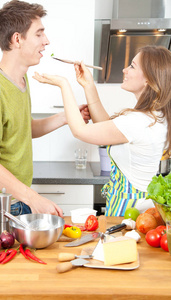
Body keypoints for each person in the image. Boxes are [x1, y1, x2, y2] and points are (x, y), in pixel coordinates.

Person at [0, 0, 90, 218]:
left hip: (19, 199)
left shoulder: (22, 80)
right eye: (39, 34)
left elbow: (24, 128)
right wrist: (33, 198)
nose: (46, 41)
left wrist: (66, 117)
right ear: (17, 39)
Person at [33, 45, 171, 216]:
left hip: (132, 209)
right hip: (138, 206)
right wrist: (88, 85)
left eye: (132, 66)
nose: (124, 70)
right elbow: (108, 131)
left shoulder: (138, 121)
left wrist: (64, 85)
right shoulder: (153, 117)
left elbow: (80, 131)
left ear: (148, 79)